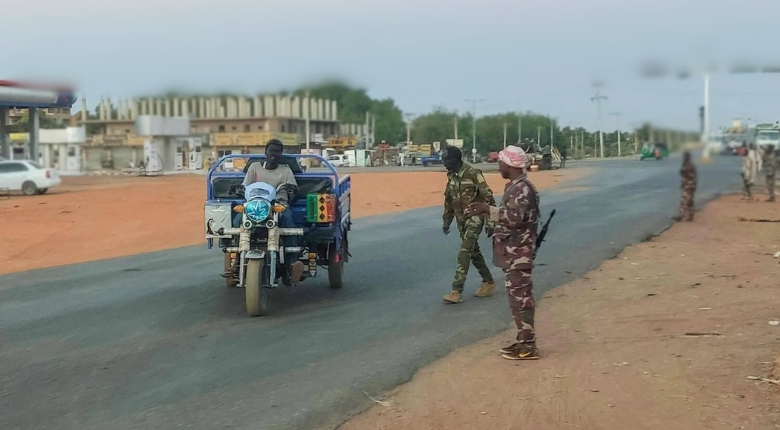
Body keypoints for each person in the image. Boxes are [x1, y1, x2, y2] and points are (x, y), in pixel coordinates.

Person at [466, 145, 540, 360]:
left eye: (501, 162)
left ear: (510, 165)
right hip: (514, 253)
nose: (499, 166)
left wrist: (485, 210)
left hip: (519, 253)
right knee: (517, 300)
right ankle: (523, 341)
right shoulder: (515, 187)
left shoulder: (521, 189)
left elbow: (515, 218)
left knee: (522, 299)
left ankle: (528, 346)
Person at [228, 139, 305, 284]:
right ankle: (237, 261)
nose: (273, 154)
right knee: (238, 221)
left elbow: (293, 191)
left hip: (278, 206)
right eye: (271, 150)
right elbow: (245, 186)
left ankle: (292, 264)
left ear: (281, 154)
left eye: (277, 151)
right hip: (255, 206)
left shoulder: (286, 170)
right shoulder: (254, 167)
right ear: (265, 152)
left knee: (288, 222)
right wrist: (238, 189)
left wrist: (292, 192)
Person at [441, 145, 496, 304]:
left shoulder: (473, 173)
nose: (443, 162)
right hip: (461, 220)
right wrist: (446, 221)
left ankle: (456, 291)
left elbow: (488, 197)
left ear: (453, 160)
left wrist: (491, 222)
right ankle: (489, 281)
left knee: (464, 252)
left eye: (445, 159)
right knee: (474, 253)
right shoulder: (451, 176)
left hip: (475, 218)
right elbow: (449, 201)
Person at [674, 151, 697, 221]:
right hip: (691, 185)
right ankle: (690, 215)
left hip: (688, 185)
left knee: (684, 201)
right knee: (690, 201)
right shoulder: (690, 165)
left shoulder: (687, 165)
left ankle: (681, 215)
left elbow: (685, 176)